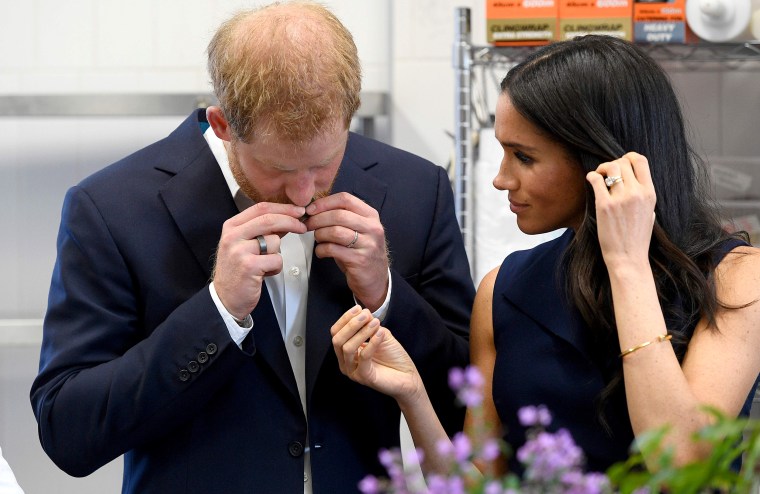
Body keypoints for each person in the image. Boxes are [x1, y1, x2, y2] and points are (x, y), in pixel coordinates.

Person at [29, 2, 474, 493]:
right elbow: (68, 433)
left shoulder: (417, 189)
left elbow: (471, 407)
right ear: (222, 125)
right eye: (280, 170)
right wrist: (216, 312)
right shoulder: (109, 208)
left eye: (325, 161)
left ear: (351, 112)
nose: (305, 192)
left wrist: (387, 296)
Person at [331, 34, 760, 477]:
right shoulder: (503, 292)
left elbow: (681, 465)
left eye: (524, 157)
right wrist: (411, 392)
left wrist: (627, 264)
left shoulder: (737, 279)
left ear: (600, 159)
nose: (501, 179)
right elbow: (478, 485)